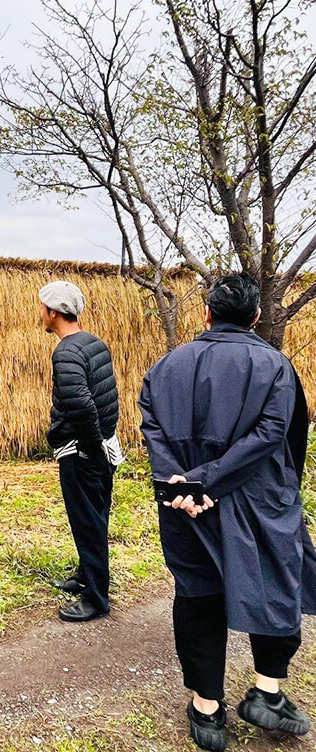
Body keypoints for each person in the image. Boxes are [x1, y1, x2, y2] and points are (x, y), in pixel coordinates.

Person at [139, 273, 316, 752]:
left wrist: (183, 483)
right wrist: (213, 482)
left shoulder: (164, 367)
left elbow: (153, 430)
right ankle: (267, 692)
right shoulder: (275, 366)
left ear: (207, 314)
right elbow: (275, 435)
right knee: (277, 581)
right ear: (256, 316)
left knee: (197, 593)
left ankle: (206, 710)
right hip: (259, 502)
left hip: (183, 504)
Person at [38, 280, 121, 623]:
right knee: (96, 516)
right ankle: (87, 575)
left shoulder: (66, 352)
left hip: (83, 450)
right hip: (105, 446)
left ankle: (96, 598)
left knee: (86, 522)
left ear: (53, 312)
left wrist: (89, 450)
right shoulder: (94, 343)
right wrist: (102, 443)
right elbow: (108, 399)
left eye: (43, 308)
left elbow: (81, 405)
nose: (41, 313)